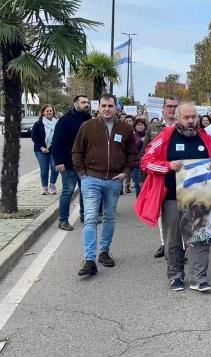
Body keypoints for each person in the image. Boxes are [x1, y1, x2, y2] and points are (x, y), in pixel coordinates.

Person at [137, 102, 211, 292]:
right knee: (174, 240)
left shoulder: (207, 139)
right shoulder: (165, 137)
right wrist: (168, 166)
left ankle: (199, 278)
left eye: (194, 117)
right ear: (177, 118)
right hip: (172, 198)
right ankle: (175, 275)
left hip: (200, 198)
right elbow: (146, 161)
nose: (191, 121)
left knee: (200, 239)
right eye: (187, 117)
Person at [73, 94, 137, 277]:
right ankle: (90, 259)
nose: (107, 109)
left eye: (110, 105)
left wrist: (125, 172)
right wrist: (82, 175)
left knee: (109, 217)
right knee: (91, 217)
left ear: (116, 107)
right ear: (98, 107)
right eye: (103, 105)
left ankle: (104, 252)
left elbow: (132, 154)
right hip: (91, 179)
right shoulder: (87, 126)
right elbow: (77, 151)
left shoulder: (125, 128)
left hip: (114, 180)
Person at [142, 97, 178, 258]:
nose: (172, 109)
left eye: (175, 106)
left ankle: (179, 245)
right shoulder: (154, 127)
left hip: (180, 176)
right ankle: (165, 243)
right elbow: (145, 153)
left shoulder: (184, 127)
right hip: (159, 176)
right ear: (163, 109)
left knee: (179, 213)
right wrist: (144, 178)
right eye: (169, 106)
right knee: (162, 212)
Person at [52, 95, 92, 231]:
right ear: (75, 104)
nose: (86, 104)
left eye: (87, 102)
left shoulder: (88, 119)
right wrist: (58, 161)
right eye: (83, 102)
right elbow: (56, 142)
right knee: (68, 191)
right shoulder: (64, 120)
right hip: (68, 163)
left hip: (85, 163)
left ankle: (84, 215)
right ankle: (63, 220)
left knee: (85, 190)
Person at [31, 104, 59, 195]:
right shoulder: (38, 123)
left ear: (53, 112)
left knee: (55, 167)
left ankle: (52, 185)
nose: (49, 112)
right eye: (47, 111)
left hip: (54, 149)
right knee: (44, 169)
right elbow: (34, 137)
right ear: (43, 112)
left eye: (50, 111)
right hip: (40, 150)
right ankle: (44, 187)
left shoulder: (57, 123)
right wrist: (41, 147)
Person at [132, 116, 148, 197]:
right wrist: (141, 140)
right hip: (136, 164)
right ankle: (139, 202)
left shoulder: (148, 135)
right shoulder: (133, 136)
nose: (140, 126)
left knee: (147, 185)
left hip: (146, 164)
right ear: (135, 126)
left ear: (145, 126)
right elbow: (133, 147)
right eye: (138, 125)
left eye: (142, 124)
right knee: (138, 185)